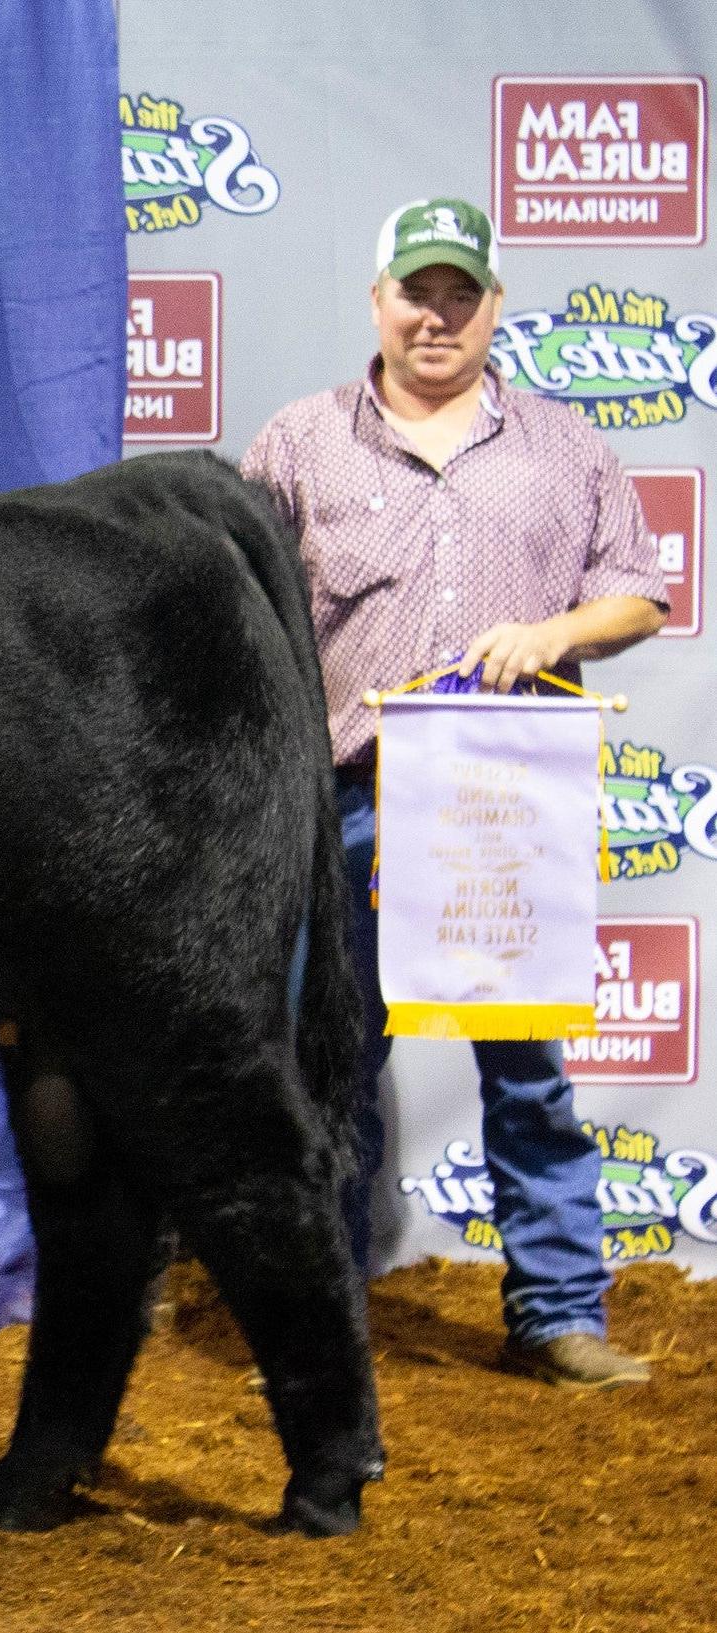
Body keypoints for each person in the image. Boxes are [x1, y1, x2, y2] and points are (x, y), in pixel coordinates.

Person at [241, 198, 667, 1389]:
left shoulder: (563, 447)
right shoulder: (295, 442)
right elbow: (241, 611)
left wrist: (546, 632)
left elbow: (636, 593)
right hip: (347, 799)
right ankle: (325, 1318)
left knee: (524, 1065)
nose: (435, 315)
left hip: (503, 805)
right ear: (375, 299)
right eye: (414, 292)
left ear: (490, 307)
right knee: (332, 1064)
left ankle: (556, 1312)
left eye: (458, 294)